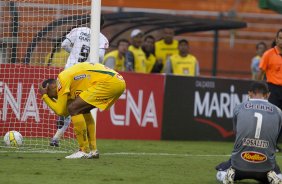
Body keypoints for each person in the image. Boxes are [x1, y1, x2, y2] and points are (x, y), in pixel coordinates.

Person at [39, 62, 126, 159]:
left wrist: (45, 96)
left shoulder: (61, 79)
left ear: (51, 87)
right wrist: (48, 96)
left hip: (108, 82)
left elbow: (60, 111)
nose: (55, 98)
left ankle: (83, 150)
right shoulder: (72, 84)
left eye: (53, 96)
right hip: (118, 81)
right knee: (83, 110)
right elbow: (64, 111)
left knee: (73, 108)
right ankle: (93, 150)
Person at [49, 16, 109, 147]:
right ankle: (58, 138)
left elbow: (64, 44)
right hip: (82, 77)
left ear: (90, 22)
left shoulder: (78, 30)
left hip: (67, 72)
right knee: (76, 108)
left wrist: (74, 53)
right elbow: (99, 57)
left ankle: (57, 134)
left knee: (65, 105)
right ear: (102, 26)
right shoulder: (102, 39)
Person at [216, 81, 282, 184]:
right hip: (265, 167)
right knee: (278, 174)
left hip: (239, 165)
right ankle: (272, 176)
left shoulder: (238, 108)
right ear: (268, 94)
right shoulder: (278, 111)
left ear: (250, 93)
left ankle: (228, 174)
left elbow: (236, 133)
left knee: (220, 172)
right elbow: (275, 137)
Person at [257, 29, 282, 152]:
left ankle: (274, 144)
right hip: (273, 89)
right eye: (280, 38)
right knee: (271, 118)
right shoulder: (269, 54)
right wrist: (258, 89)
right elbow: (260, 72)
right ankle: (266, 143)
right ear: (276, 39)